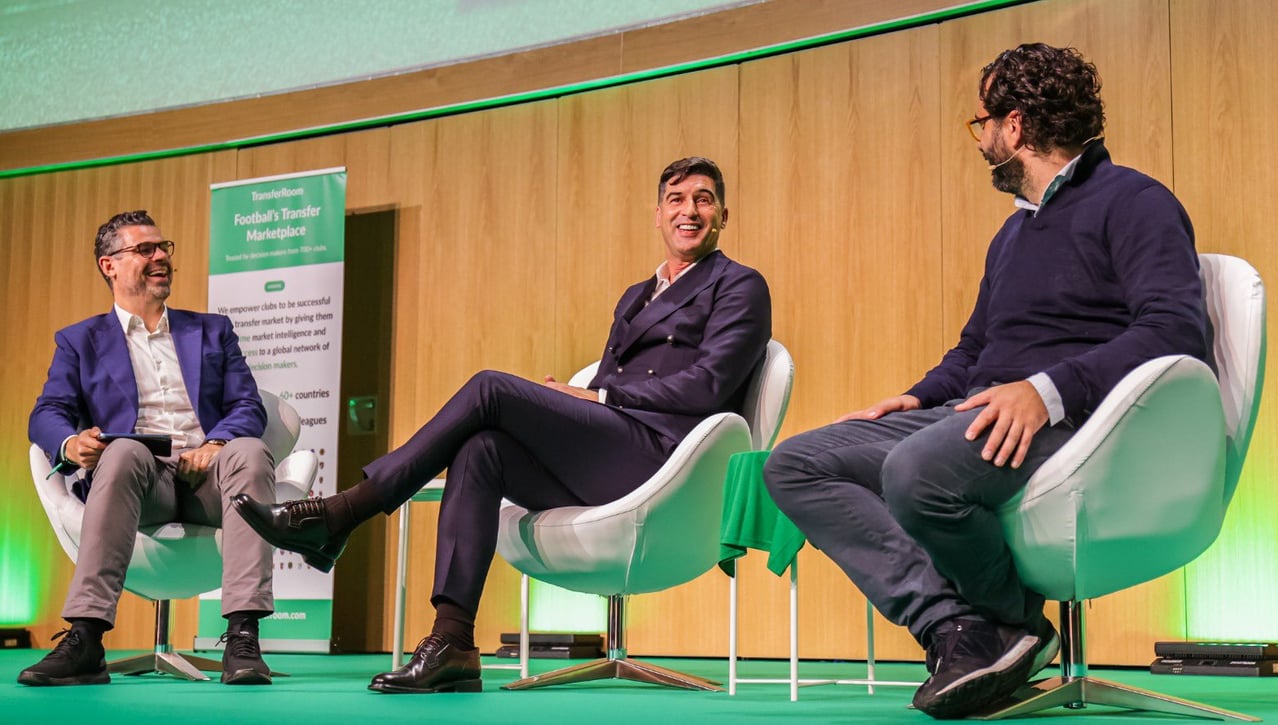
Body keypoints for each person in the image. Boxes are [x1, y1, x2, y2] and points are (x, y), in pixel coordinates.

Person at [764, 44, 1210, 719]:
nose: (980, 142)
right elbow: (976, 349)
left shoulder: (1136, 202)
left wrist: (1047, 390)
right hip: (978, 414)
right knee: (797, 462)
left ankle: (1003, 622)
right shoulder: (1012, 234)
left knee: (917, 468)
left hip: (1084, 424)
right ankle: (960, 627)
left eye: (982, 125)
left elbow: (1177, 329)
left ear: (1016, 126)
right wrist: (918, 394)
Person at [234, 156, 772, 694]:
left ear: (723, 213)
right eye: (676, 200)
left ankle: (343, 512)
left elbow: (710, 386)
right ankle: (453, 642)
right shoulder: (636, 295)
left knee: (491, 388)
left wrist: (596, 396)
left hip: (668, 460)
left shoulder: (740, 285)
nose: (689, 211)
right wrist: (581, 402)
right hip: (613, 449)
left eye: (702, 199)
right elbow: (608, 383)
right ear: (657, 214)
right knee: (482, 449)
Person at [21, 210, 278, 687]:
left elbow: (247, 404)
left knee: (250, 451)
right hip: (139, 480)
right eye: (145, 250)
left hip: (209, 478)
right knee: (121, 451)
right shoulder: (81, 341)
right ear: (109, 265)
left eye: (163, 248)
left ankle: (244, 637)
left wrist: (218, 441)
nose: (160, 257)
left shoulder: (211, 331)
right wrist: (71, 441)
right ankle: (87, 637)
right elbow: (46, 412)